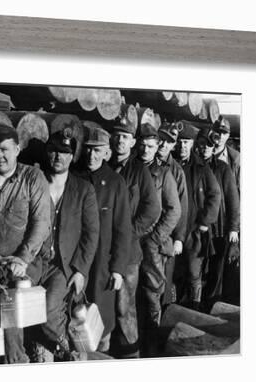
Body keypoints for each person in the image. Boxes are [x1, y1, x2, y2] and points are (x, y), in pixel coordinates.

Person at [0, 123, 51, 364]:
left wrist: (22, 259)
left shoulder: (32, 177)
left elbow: (41, 223)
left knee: (10, 296)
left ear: (17, 149)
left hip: (25, 262)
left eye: (4, 149)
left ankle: (17, 362)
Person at [32, 128, 100, 361]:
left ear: (72, 156)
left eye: (64, 152)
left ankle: (65, 348)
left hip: (65, 265)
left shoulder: (84, 190)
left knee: (50, 309)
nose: (58, 156)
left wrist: (80, 270)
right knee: (26, 311)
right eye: (53, 151)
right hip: (36, 261)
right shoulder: (36, 182)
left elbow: (91, 234)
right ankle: (50, 352)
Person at [76, 126, 132, 353]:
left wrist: (118, 269)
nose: (92, 155)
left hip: (103, 264)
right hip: (78, 261)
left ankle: (102, 357)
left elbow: (123, 229)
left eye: (97, 150)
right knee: (78, 318)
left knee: (103, 321)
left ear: (107, 153)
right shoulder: (75, 178)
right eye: (88, 149)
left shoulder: (115, 182)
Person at [109, 119, 160, 358]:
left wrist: (129, 234)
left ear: (132, 142)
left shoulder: (139, 171)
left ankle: (131, 356)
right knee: (104, 305)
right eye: (117, 136)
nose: (120, 140)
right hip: (103, 250)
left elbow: (152, 209)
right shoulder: (103, 166)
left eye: (125, 137)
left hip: (128, 254)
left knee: (124, 306)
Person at [136, 123, 181, 355]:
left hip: (153, 244)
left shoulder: (164, 174)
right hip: (131, 241)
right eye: (142, 145)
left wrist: (155, 238)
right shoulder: (130, 169)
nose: (146, 150)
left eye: (150, 146)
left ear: (157, 149)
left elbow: (174, 210)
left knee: (152, 294)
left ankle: (152, 347)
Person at [173, 122, 221, 309]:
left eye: (186, 142)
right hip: (174, 230)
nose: (182, 146)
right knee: (174, 274)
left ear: (192, 144)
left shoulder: (201, 167)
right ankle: (174, 311)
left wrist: (204, 222)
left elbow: (215, 194)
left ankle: (194, 312)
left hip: (194, 231)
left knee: (194, 275)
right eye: (180, 142)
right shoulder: (172, 164)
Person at [197, 127, 240, 304]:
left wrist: (233, 228)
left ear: (213, 147)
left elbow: (233, 201)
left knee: (216, 273)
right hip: (197, 228)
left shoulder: (223, 169)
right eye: (201, 145)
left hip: (218, 231)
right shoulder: (193, 166)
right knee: (197, 271)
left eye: (208, 145)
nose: (205, 148)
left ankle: (211, 309)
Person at [156, 122, 189, 305]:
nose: (163, 145)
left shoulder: (176, 171)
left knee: (164, 281)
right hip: (148, 232)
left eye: (168, 142)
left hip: (166, 236)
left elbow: (182, 207)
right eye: (161, 140)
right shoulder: (145, 163)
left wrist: (179, 238)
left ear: (173, 145)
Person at [210, 116, 240, 192]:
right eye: (218, 131)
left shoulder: (235, 158)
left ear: (228, 135)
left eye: (224, 133)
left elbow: (239, 185)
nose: (221, 136)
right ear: (212, 132)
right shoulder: (205, 152)